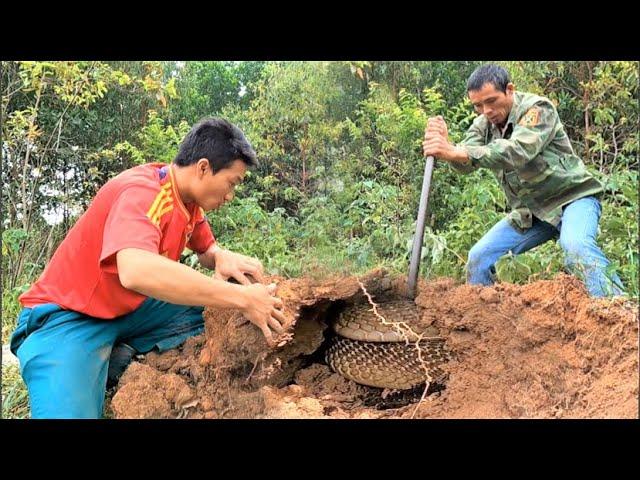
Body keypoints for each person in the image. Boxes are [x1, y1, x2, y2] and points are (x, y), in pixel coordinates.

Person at [10, 117, 287, 418]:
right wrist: (244, 299)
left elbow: (205, 247)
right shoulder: (143, 192)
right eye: (231, 183)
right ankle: (82, 359)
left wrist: (220, 255)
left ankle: (117, 353)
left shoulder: (187, 198)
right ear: (204, 168)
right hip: (67, 318)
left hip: (127, 311)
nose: (231, 195)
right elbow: (135, 270)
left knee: (218, 310)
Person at [422, 64, 624, 297]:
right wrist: (447, 148)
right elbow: (466, 165)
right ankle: (487, 323)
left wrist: (457, 151)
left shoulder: (537, 109)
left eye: (491, 101)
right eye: (478, 105)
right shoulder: (483, 125)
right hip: (531, 214)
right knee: (479, 257)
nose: (486, 111)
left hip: (573, 199)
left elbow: (517, 151)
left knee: (576, 247)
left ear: (509, 90)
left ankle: (618, 317)